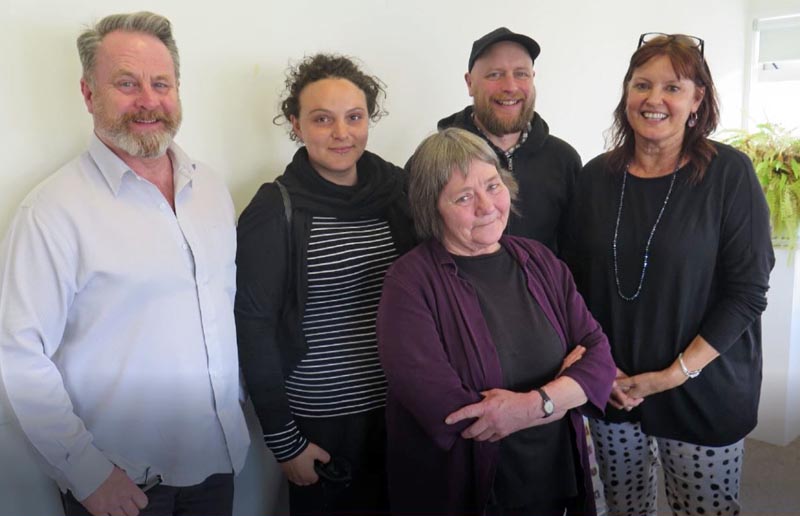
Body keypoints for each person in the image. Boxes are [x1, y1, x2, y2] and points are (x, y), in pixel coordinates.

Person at [0, 11, 250, 516]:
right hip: (123, 486)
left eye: (161, 83)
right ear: (89, 94)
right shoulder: (52, 211)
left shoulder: (212, 191)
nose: (149, 101)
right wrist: (87, 475)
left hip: (216, 465)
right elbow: (19, 353)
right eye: (126, 84)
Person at [563, 33, 775, 516]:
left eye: (672, 87)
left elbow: (747, 292)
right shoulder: (595, 178)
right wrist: (601, 367)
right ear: (626, 93)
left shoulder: (729, 175)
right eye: (642, 84)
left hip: (704, 389)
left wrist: (672, 375)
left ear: (697, 98)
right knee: (623, 508)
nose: (653, 99)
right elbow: (572, 281)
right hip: (615, 391)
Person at [376, 127, 615, 515]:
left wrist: (531, 406)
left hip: (551, 476)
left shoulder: (539, 260)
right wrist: (566, 391)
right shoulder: (408, 283)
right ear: (431, 207)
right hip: (467, 489)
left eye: (493, 185)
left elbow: (600, 358)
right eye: (464, 196)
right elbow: (447, 411)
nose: (486, 206)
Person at [235, 53, 415, 515]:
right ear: (295, 124)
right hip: (323, 425)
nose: (341, 133)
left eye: (354, 117)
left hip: (401, 413)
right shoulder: (275, 208)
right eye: (322, 119)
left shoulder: (398, 191)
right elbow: (253, 327)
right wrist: (285, 442)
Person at [437, 27, 581, 253]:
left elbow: (574, 253)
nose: (510, 87)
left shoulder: (564, 160)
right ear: (469, 83)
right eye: (495, 74)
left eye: (521, 73)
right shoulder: (434, 161)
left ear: (533, 79)